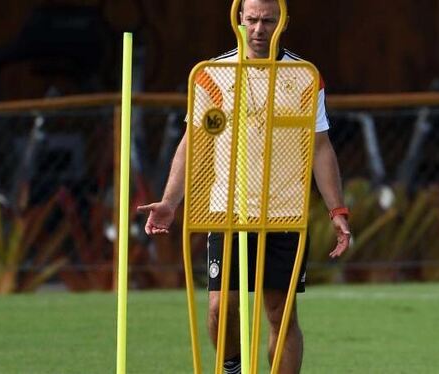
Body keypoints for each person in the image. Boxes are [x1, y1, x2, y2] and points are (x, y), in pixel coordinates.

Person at [137, 0, 351, 373]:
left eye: (268, 20)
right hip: (229, 208)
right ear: (238, 19)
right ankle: (232, 368)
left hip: (285, 210)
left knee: (279, 313)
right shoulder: (212, 74)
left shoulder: (304, 75)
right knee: (221, 306)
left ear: (283, 21)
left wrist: (338, 211)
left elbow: (320, 148)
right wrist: (170, 201)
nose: (258, 29)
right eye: (251, 20)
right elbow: (194, 140)